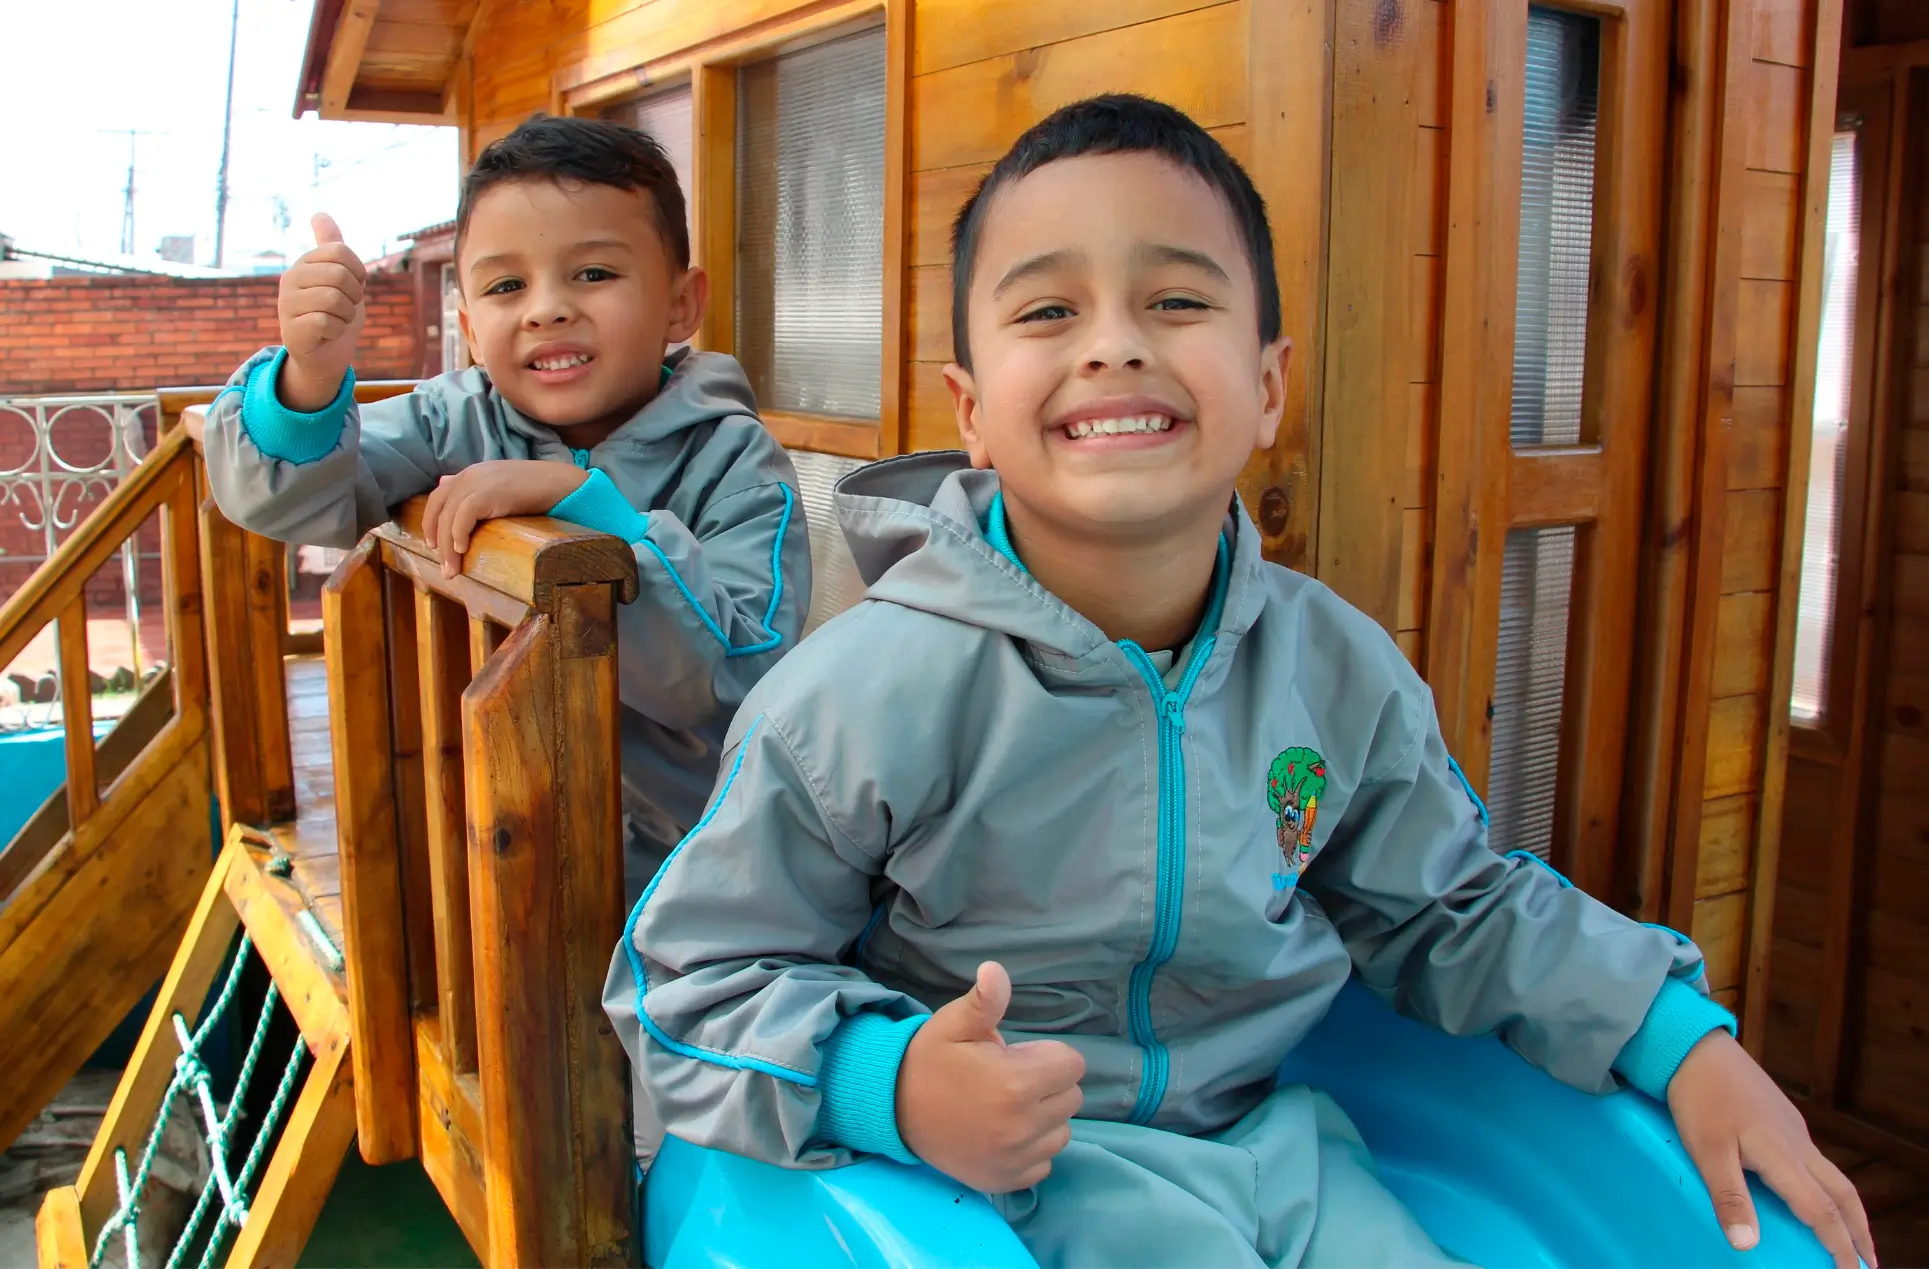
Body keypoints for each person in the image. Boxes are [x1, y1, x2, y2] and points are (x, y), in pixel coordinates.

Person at [606, 95, 1875, 1269]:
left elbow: (1453, 907)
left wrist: (1677, 1035)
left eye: (1175, 301)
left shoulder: (1334, 669)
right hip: (996, 1185)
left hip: (1282, 1149)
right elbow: (686, 977)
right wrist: (886, 1086)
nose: (1112, 346)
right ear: (972, 409)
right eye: (1048, 312)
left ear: (1267, 386)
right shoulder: (864, 695)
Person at [203, 115, 810, 904]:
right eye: (505, 286)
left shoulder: (736, 460)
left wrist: (583, 508)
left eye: (593, 273)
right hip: (483, 842)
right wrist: (310, 380)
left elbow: (739, 672)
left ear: (680, 303)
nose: (547, 309)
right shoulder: (448, 421)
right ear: (467, 325)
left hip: (684, 871)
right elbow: (282, 497)